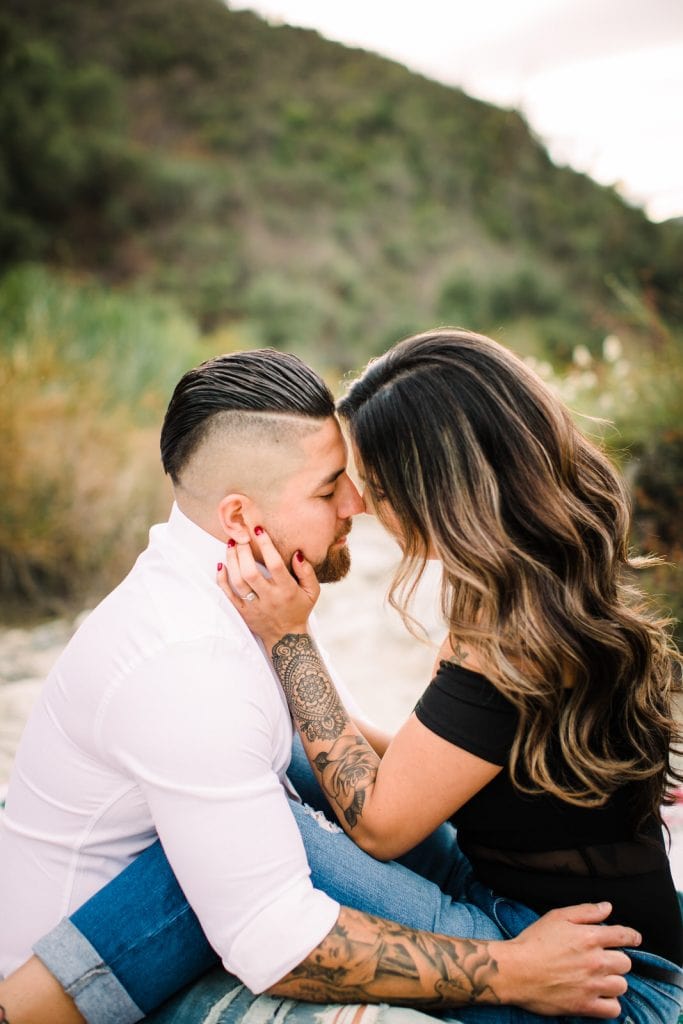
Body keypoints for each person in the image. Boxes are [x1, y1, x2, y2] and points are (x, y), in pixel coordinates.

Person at [0, 348, 640, 1024]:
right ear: (242, 518)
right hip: (86, 965)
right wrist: (510, 970)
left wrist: (289, 639)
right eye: (329, 485)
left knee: (259, 818)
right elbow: (276, 927)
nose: (357, 504)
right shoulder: (195, 659)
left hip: (588, 949)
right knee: (246, 833)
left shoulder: (247, 600)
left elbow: (368, 787)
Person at [216, 329, 683, 1022]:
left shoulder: (514, 644)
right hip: (507, 895)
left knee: (232, 826)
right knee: (260, 757)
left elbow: (378, 826)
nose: (356, 504)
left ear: (440, 488)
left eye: (371, 484)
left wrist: (290, 640)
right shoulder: (530, 592)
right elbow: (419, 764)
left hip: (611, 983)